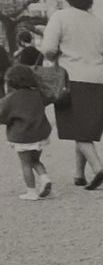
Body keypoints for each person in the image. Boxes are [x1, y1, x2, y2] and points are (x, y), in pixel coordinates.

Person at [41, 0, 103, 190]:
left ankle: (98, 168)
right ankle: (79, 174)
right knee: (84, 129)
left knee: (75, 127)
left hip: (71, 79)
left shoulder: (60, 17)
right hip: (98, 79)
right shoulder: (102, 24)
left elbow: (48, 48)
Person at [0, 65, 52, 200]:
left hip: (22, 136)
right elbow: (50, 96)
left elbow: (2, 115)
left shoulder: (11, 98)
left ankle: (31, 191)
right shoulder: (38, 94)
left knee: (26, 164)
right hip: (39, 134)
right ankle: (45, 178)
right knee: (35, 160)